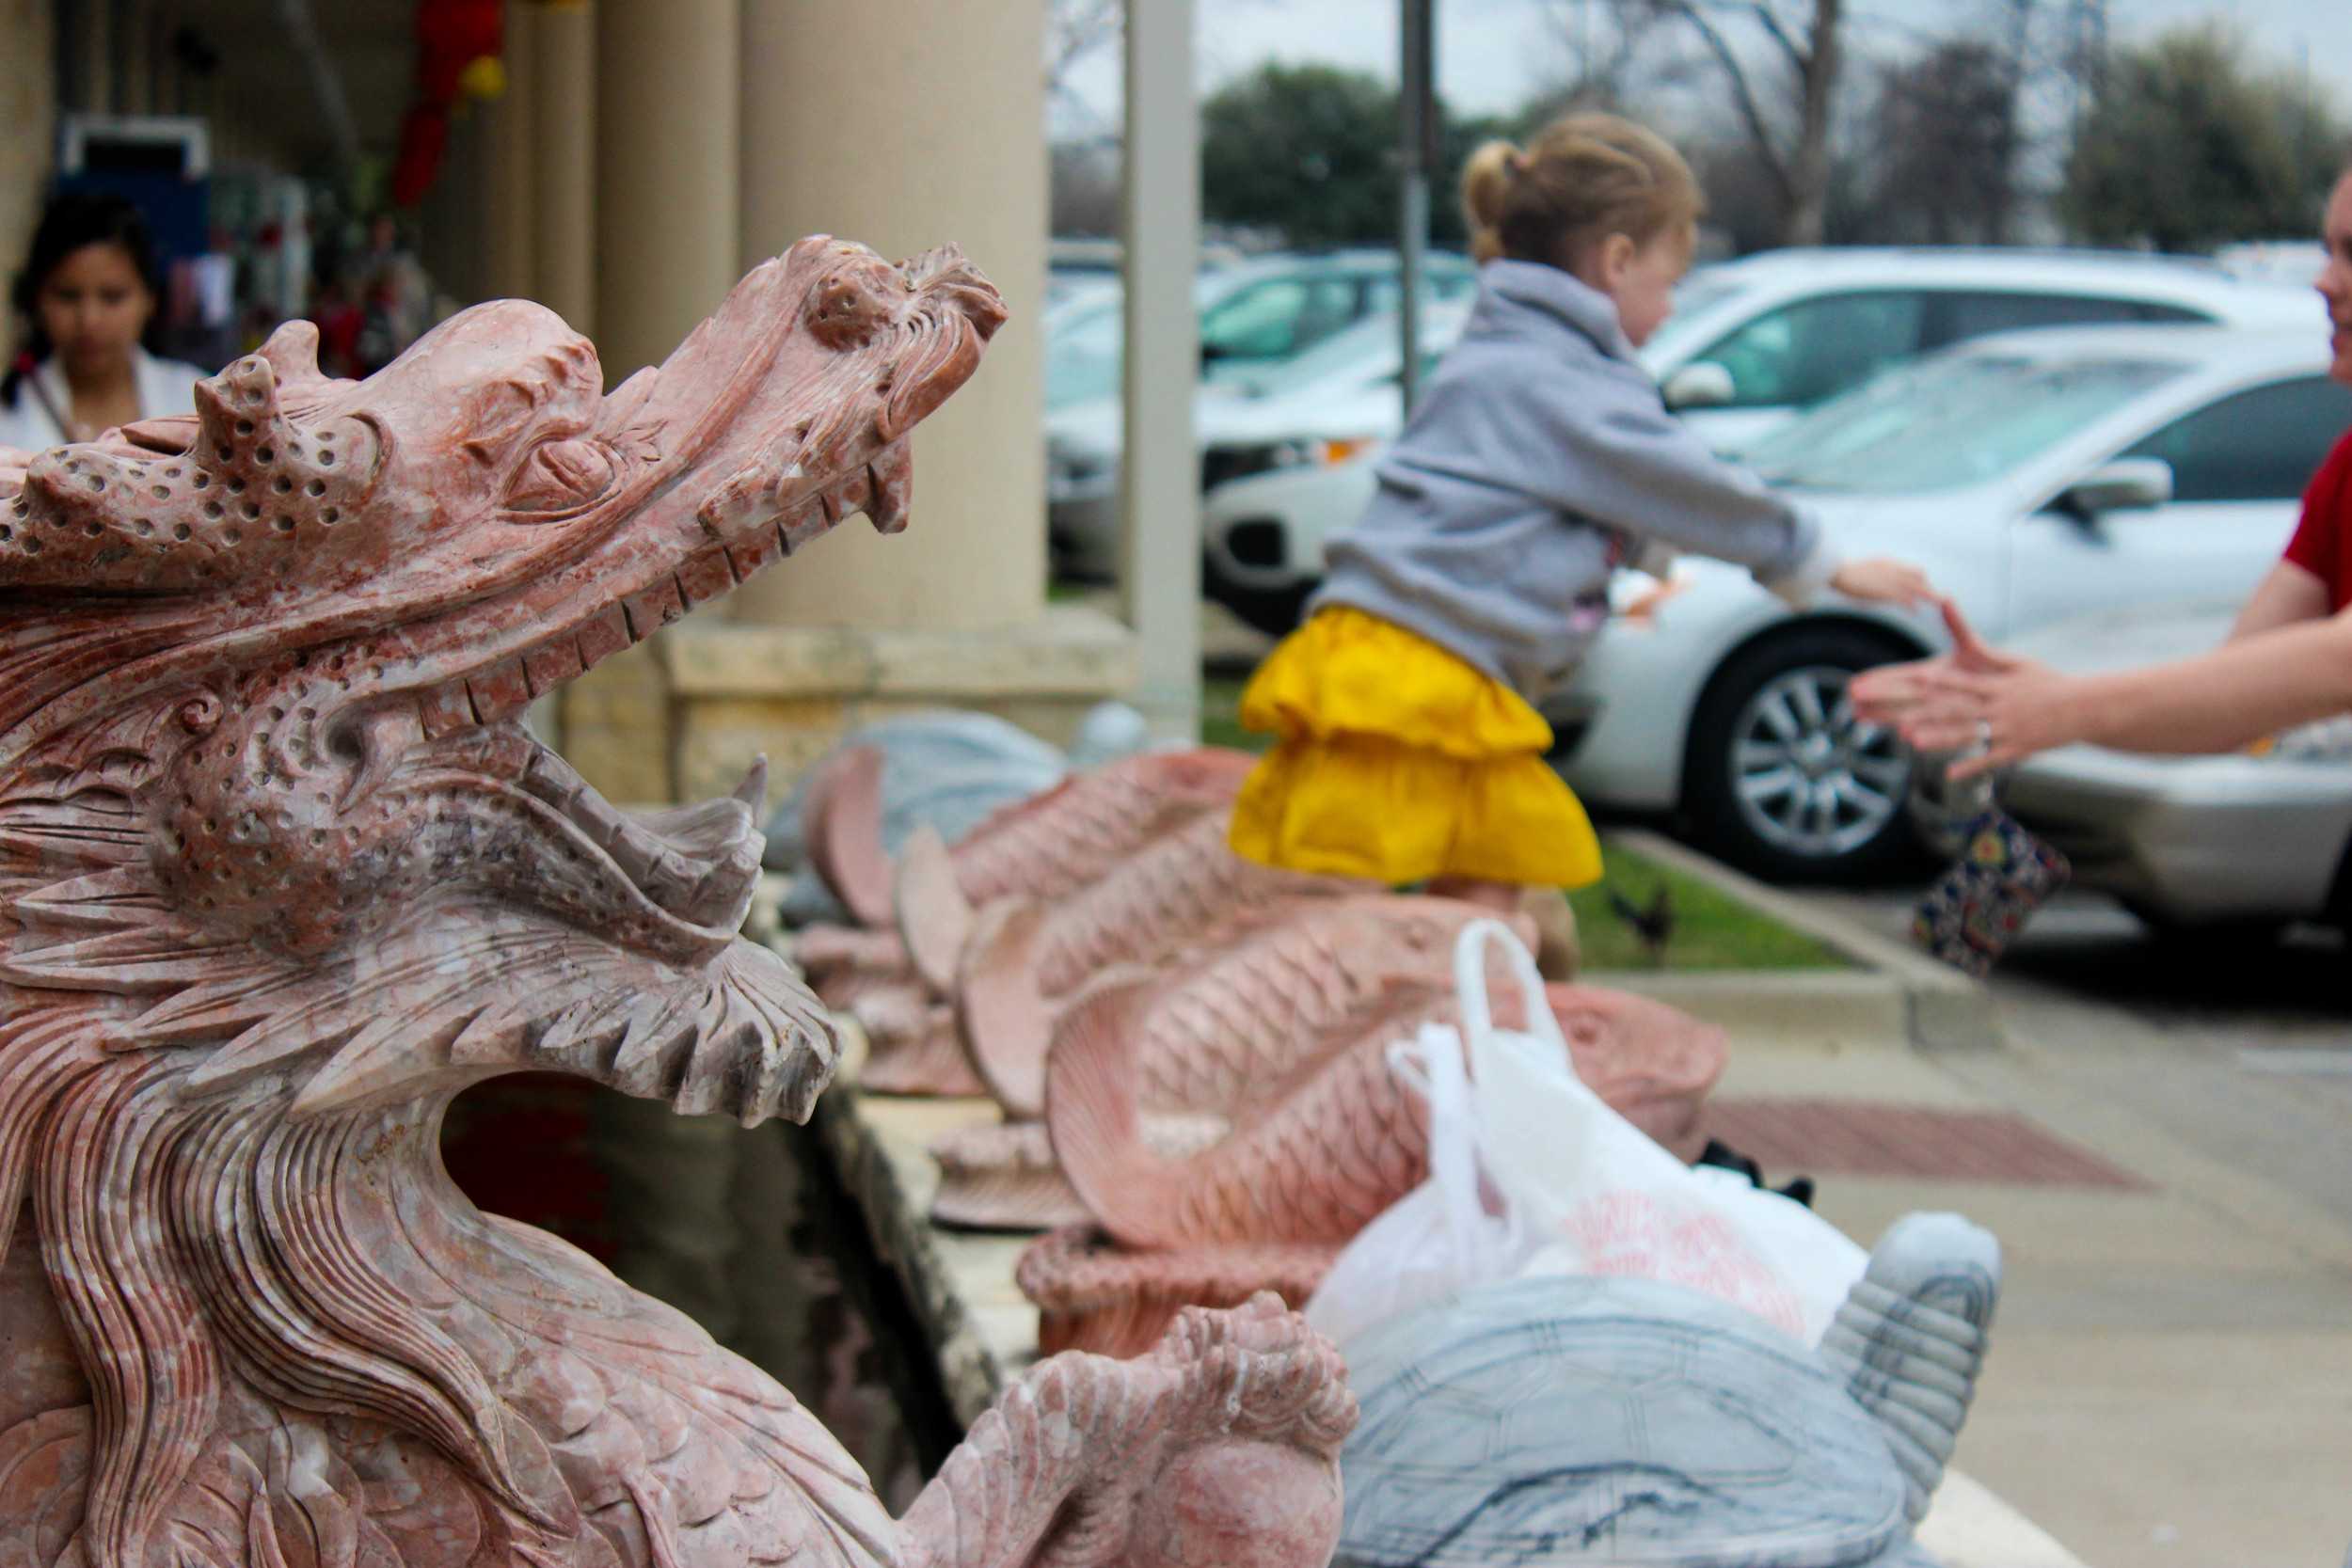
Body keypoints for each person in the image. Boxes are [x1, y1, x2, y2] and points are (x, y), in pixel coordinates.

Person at [1227, 112, 1939, 913]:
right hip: (1413, 674)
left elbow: (1605, 502)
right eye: (1671, 282)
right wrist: (1819, 558)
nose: (1672, 308)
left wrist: (1653, 559)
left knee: (1486, 906)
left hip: (1441, 670)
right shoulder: (1557, 377)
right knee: (1355, 914)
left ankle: (1457, 1028)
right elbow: (1681, 482)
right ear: (1618, 260)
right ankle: (1401, 1026)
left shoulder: (1518, 355)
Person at [1852, 159, 2352, 773]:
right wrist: (2031, 694)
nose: (2325, 283)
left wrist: (2066, 706)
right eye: (2327, 251)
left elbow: (2340, 661)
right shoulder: (2345, 467)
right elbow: (2233, 699)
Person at [0, 191, 207, 450]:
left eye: (112, 297)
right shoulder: (8, 418)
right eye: (68, 296)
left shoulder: (197, 404)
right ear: (37, 299)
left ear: (150, 298)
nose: (89, 321)